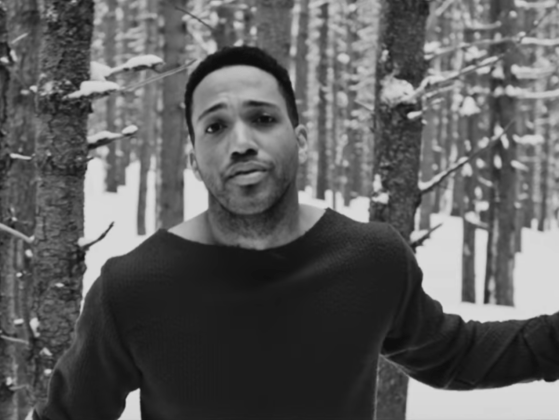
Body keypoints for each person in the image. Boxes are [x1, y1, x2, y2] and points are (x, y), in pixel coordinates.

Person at [33, 46, 559, 420]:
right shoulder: (132, 287)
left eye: (263, 118)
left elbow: (457, 354)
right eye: (215, 126)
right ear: (194, 159)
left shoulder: (371, 259)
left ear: (300, 138)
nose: (241, 142)